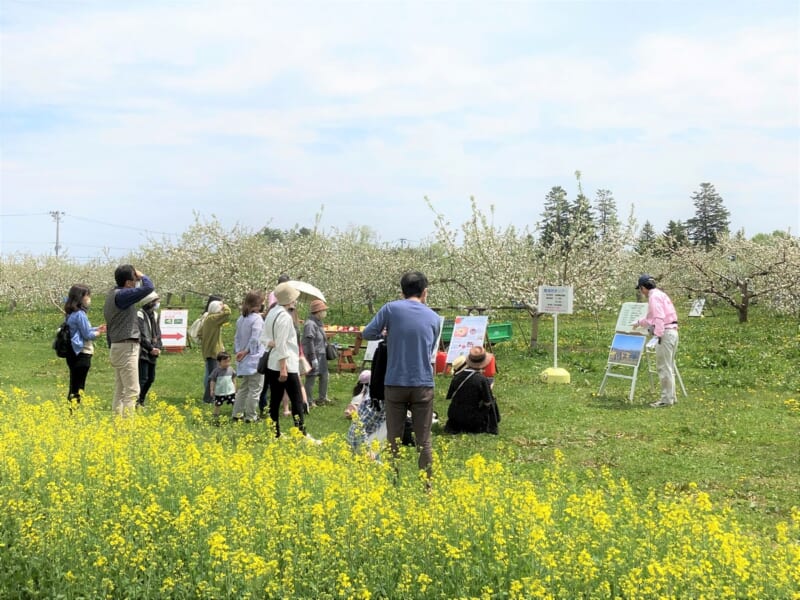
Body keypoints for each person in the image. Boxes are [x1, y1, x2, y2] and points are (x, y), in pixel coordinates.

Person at [362, 271, 441, 480]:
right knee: (423, 440)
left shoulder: (390, 308)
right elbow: (430, 347)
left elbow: (367, 333)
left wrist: (384, 334)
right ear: (425, 292)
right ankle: (428, 486)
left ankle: (394, 479)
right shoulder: (434, 317)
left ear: (401, 292)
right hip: (423, 383)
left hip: (395, 382)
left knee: (393, 437)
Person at [103, 265, 154, 416]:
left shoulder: (112, 295)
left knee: (120, 390)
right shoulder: (123, 296)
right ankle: (126, 428)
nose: (136, 282)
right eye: (134, 280)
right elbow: (149, 287)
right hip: (126, 346)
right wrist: (142, 276)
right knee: (132, 390)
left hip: (117, 346)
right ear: (128, 283)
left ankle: (117, 424)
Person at [261, 282, 308, 438]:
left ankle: (275, 433)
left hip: (272, 363)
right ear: (290, 299)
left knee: (275, 400)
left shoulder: (272, 313)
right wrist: (283, 368)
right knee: (297, 400)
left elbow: (263, 338)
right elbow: (282, 344)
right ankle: (300, 434)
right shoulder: (285, 317)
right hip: (286, 364)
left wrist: (271, 343)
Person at [634, 273, 679, 408]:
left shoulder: (653, 297)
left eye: (640, 289)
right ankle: (671, 397)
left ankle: (666, 399)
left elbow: (658, 318)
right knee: (668, 367)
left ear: (643, 288)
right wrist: (638, 322)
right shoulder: (660, 294)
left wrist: (657, 335)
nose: (641, 292)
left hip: (665, 333)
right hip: (672, 331)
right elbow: (650, 318)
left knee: (663, 367)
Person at [63, 284, 105, 405]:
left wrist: (97, 328)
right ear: (80, 297)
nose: (89, 298)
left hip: (72, 352)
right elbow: (87, 335)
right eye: (87, 295)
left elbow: (82, 330)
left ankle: (72, 411)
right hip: (82, 353)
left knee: (74, 384)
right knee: (78, 386)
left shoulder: (70, 313)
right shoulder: (80, 314)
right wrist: (98, 333)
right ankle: (74, 412)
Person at [444, 346, 501, 435]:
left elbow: (450, 396)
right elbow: (487, 402)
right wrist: (488, 389)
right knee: (492, 399)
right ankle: (492, 427)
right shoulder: (482, 379)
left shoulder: (457, 377)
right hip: (471, 420)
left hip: (454, 417)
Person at [230, 290, 265, 423]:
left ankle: (237, 413)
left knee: (244, 387)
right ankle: (251, 416)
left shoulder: (241, 318)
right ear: (257, 304)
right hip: (254, 357)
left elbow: (237, 337)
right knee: (255, 389)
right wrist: (246, 351)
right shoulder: (256, 319)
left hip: (243, 358)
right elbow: (255, 338)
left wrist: (239, 351)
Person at [346, 370, 387, 456]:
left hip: (358, 440)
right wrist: (368, 450)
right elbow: (360, 425)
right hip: (359, 442)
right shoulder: (376, 404)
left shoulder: (369, 396)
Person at [201, 300, 231, 404]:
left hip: (210, 351)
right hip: (212, 352)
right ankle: (208, 398)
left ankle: (212, 397)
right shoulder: (213, 318)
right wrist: (225, 306)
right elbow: (227, 314)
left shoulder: (208, 318)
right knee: (213, 376)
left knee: (211, 375)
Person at [137, 291, 163, 407]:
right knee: (143, 378)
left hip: (153, 351)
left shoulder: (155, 315)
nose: (158, 303)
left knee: (150, 378)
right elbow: (141, 334)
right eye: (157, 301)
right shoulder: (140, 314)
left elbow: (157, 332)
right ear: (150, 302)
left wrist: (158, 347)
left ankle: (141, 400)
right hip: (142, 351)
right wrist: (150, 347)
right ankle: (136, 402)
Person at [302, 299, 331, 407]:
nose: (325, 312)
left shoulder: (319, 322)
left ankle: (322, 397)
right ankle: (308, 400)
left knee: (324, 375)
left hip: (322, 353)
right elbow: (309, 341)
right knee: (311, 377)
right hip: (313, 354)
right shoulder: (310, 324)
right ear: (318, 311)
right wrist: (313, 357)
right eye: (323, 310)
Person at [209, 351, 236, 419]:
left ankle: (236, 414)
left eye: (229, 361)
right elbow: (212, 381)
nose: (227, 363)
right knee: (218, 404)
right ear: (219, 362)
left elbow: (233, 379)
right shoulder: (216, 371)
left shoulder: (231, 369)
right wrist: (212, 390)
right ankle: (215, 416)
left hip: (230, 391)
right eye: (225, 362)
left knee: (235, 403)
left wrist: (235, 388)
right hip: (219, 392)